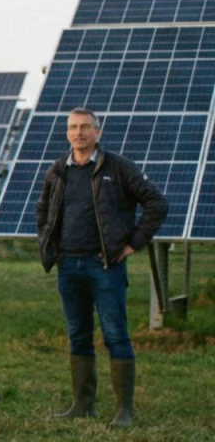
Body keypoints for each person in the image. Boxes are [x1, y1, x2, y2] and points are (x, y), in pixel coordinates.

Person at [36, 107, 167, 428]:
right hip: (68, 265)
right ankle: (82, 404)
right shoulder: (57, 171)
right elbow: (43, 211)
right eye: (72, 127)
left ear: (98, 132)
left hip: (104, 265)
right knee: (78, 334)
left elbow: (156, 203)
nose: (78, 133)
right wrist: (49, 246)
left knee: (115, 336)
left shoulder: (119, 168)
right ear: (67, 133)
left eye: (85, 127)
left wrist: (132, 243)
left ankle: (124, 411)